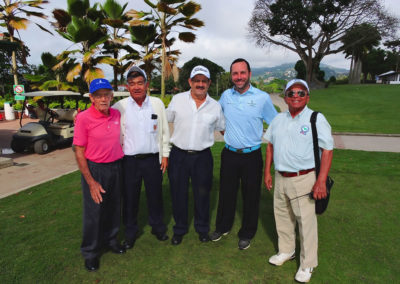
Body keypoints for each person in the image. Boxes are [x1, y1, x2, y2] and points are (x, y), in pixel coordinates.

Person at [264, 79, 333, 283]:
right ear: (285, 97)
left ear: (307, 96)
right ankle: (287, 250)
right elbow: (270, 147)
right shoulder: (278, 119)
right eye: (291, 93)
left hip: (304, 178)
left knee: (306, 222)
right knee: (282, 216)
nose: (295, 96)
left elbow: (327, 150)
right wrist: (267, 173)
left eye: (300, 93)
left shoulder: (315, 118)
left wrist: (321, 181)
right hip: (280, 176)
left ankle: (308, 263)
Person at [210, 58, 278, 250]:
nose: (238, 77)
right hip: (230, 154)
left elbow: (275, 124)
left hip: (252, 156)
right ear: (231, 75)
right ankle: (222, 227)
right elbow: (218, 120)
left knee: (251, 196)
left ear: (249, 74)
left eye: (242, 73)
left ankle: (247, 233)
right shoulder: (225, 96)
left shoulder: (262, 97)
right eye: (235, 73)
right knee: (226, 193)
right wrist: (228, 134)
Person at [113, 66, 171, 249]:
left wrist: (165, 155)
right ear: (126, 87)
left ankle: (158, 228)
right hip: (129, 161)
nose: (136, 87)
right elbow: (101, 114)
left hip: (152, 159)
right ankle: (130, 232)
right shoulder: (119, 107)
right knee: (130, 198)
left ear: (147, 85)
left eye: (140, 83)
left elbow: (164, 132)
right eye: (132, 84)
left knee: (155, 196)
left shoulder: (157, 104)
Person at [166, 65, 225, 245]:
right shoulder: (177, 99)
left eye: (204, 81)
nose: (200, 84)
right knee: (178, 194)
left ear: (208, 83)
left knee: (203, 194)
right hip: (178, 155)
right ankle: (180, 229)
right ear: (190, 82)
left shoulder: (215, 106)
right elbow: (165, 121)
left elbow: (222, 129)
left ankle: (202, 229)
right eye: (196, 80)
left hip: (202, 157)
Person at [73, 78, 125, 272]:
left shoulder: (117, 114)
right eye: (98, 95)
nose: (103, 99)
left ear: (112, 96)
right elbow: (79, 150)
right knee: (94, 213)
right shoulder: (84, 118)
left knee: (113, 207)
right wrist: (91, 181)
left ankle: (111, 241)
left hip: (116, 167)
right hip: (95, 169)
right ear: (91, 98)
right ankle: (91, 252)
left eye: (106, 95)